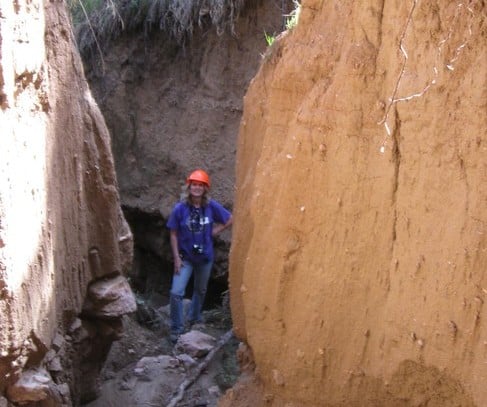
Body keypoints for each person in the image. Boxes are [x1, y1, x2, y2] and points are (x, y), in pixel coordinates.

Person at [166, 169, 233, 343]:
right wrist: (176, 259)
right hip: (185, 257)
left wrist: (214, 232)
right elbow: (173, 234)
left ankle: (194, 317)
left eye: (200, 185)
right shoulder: (180, 209)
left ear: (205, 189)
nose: (196, 188)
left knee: (201, 290)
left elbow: (229, 219)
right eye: (194, 185)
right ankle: (177, 329)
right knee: (176, 292)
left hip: (205, 258)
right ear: (189, 187)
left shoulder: (211, 206)